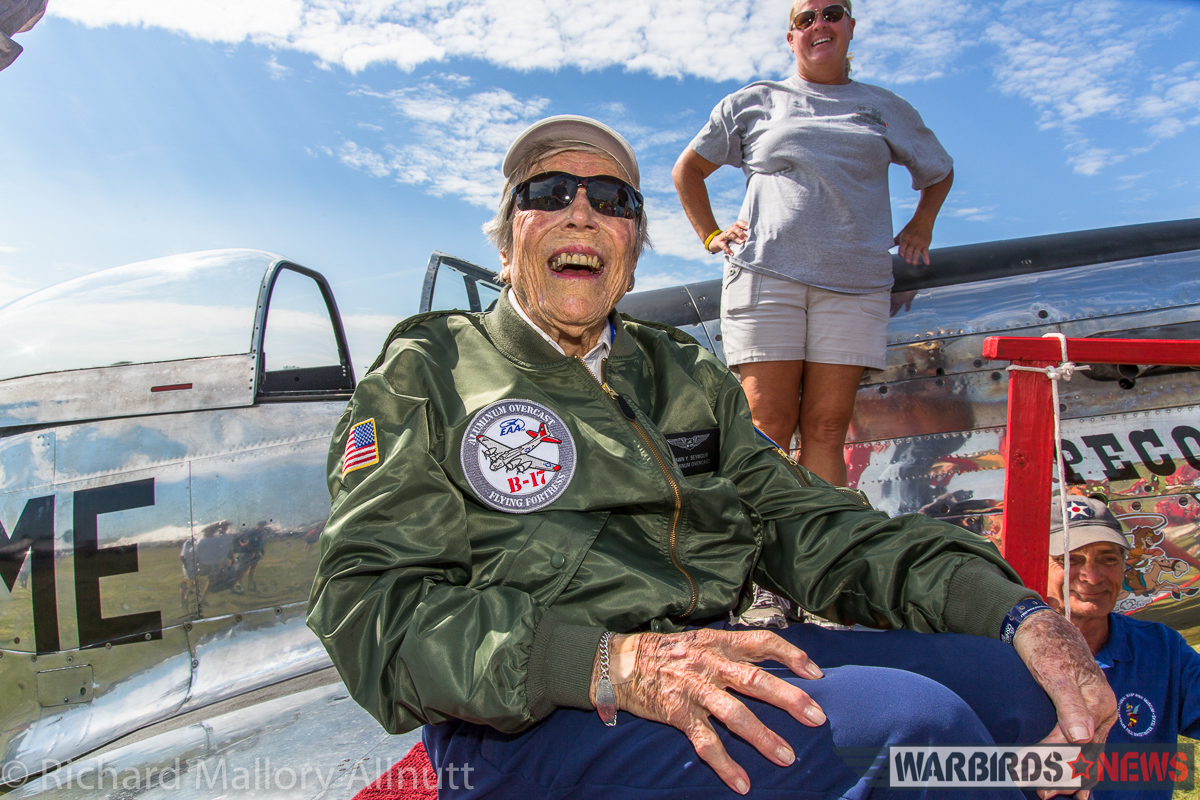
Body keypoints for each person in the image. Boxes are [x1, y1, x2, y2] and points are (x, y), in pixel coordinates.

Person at [308, 115, 1113, 799]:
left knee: (1017, 692)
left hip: (712, 654)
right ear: (508, 235)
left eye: (613, 200)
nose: (581, 213)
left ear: (632, 245)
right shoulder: (429, 372)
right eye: (547, 192)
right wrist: (607, 662)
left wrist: (1015, 610)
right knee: (915, 732)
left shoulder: (680, 371)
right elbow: (370, 605)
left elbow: (809, 524)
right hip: (532, 713)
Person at [672, 0, 954, 486]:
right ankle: (758, 533)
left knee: (826, 426)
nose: (819, 24)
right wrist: (711, 235)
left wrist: (921, 224)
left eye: (832, 13)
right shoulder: (755, 100)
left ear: (850, 27)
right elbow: (688, 170)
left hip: (856, 284)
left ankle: (821, 533)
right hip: (766, 277)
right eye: (805, 18)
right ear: (791, 38)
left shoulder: (886, 107)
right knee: (766, 424)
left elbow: (939, 170)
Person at [1046, 496, 1200, 799]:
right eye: (1070, 560)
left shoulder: (1162, 649)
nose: (1092, 577)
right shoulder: (1000, 653)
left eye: (1108, 559)